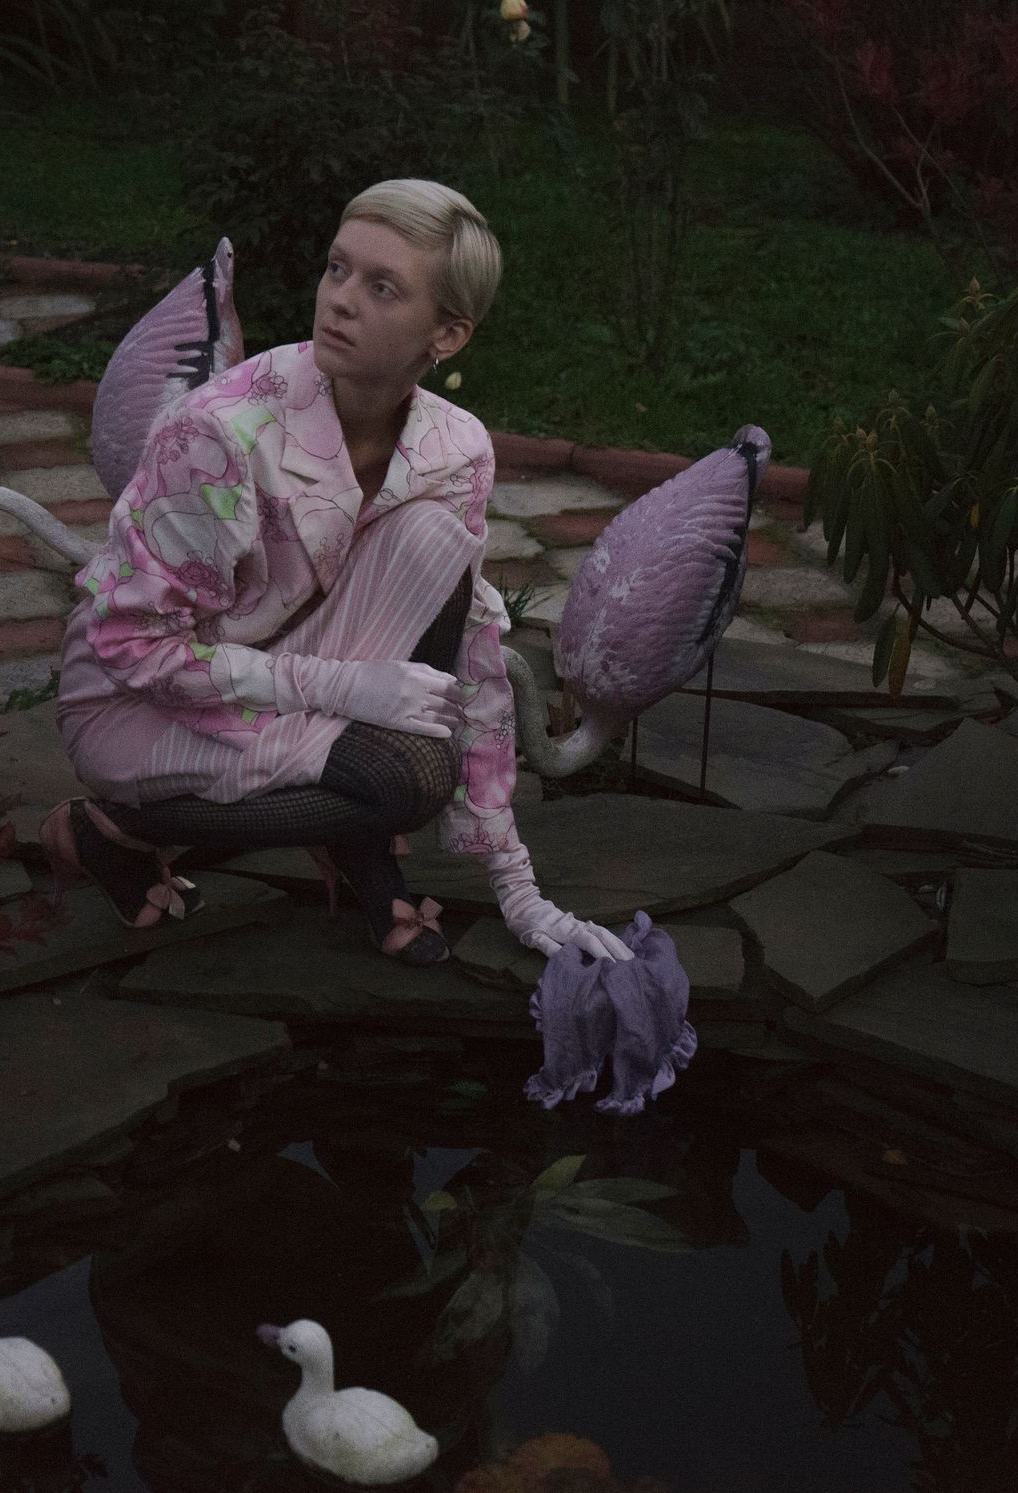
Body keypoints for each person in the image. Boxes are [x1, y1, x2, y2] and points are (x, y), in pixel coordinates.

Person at [45, 179, 633, 970]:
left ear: (448, 334)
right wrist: (349, 691)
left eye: (382, 287)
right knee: (406, 778)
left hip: (279, 655)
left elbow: (472, 643)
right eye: (337, 268)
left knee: (437, 548)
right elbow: (134, 648)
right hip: (139, 700)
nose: (340, 300)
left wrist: (517, 887)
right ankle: (117, 827)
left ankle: (350, 836)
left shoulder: (452, 447)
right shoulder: (221, 434)